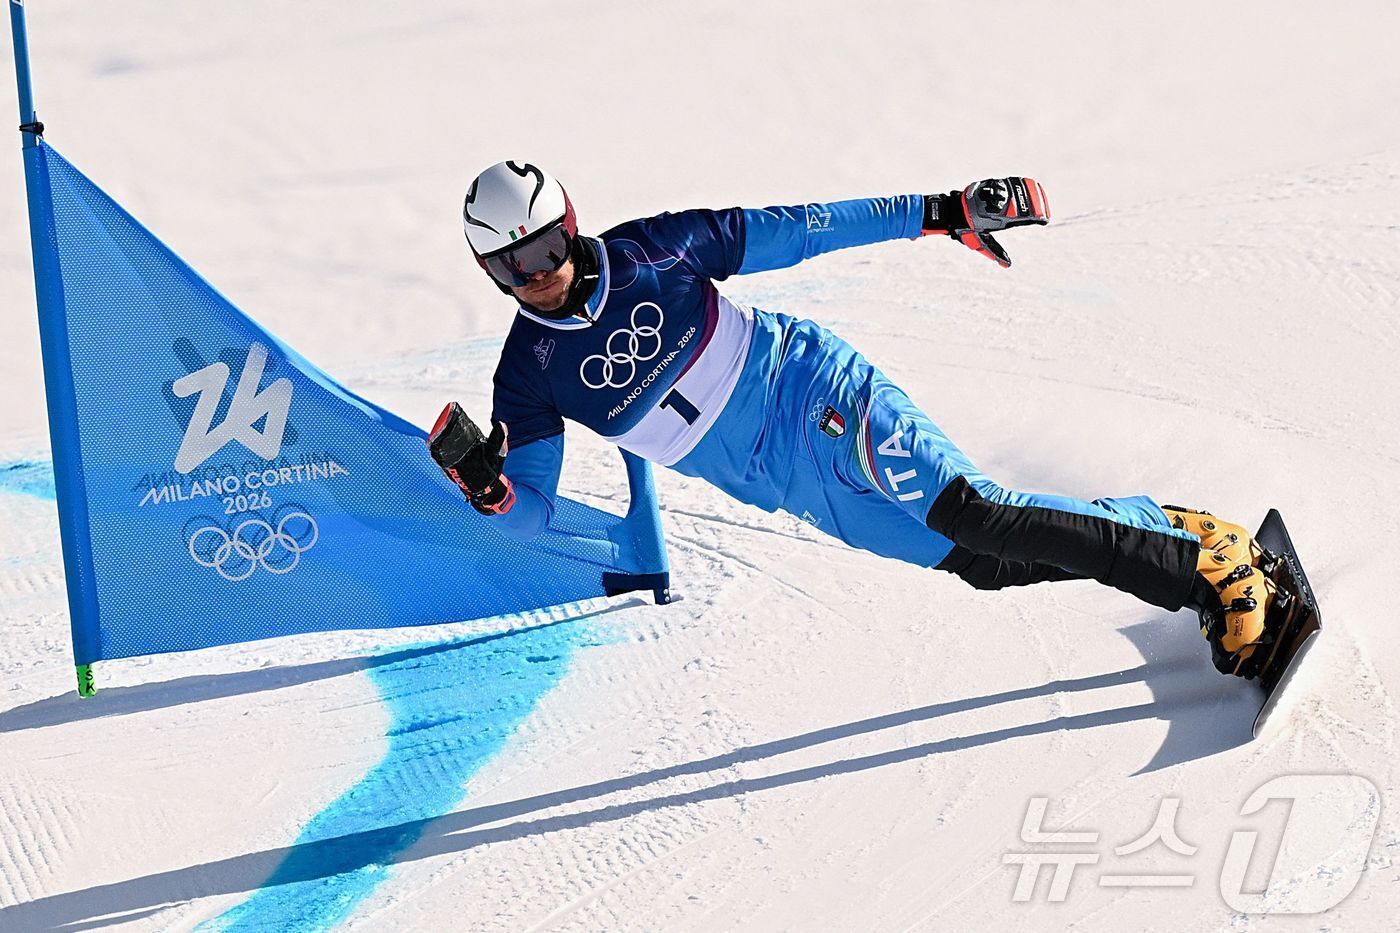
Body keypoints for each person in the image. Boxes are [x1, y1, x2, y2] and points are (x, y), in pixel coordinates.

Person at [428, 160, 1277, 678]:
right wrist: (494, 492)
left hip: (812, 392)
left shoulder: (660, 249)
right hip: (784, 484)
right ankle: (1161, 529)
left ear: (568, 226)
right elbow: (532, 505)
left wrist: (940, 210)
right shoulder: (528, 374)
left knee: (974, 509)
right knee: (983, 562)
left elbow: (803, 230)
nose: (537, 273)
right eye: (512, 264)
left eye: (544, 248)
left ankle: (1210, 559)